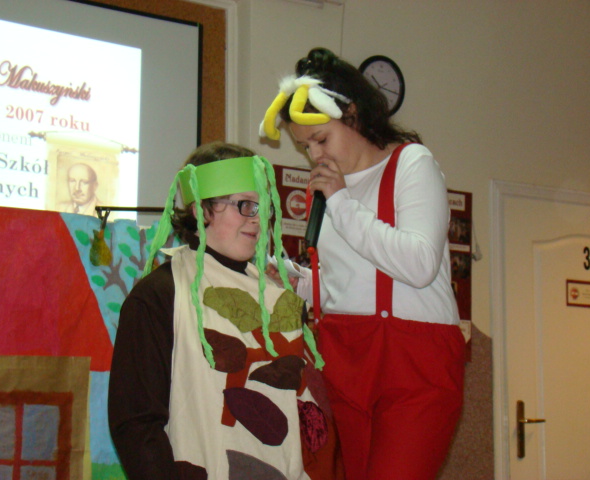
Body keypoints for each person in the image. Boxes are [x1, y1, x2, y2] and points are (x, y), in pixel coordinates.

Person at [260, 48, 465, 480]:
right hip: (346, 361)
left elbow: (419, 264)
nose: (315, 156)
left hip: (414, 365)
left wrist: (341, 202)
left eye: (322, 140)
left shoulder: (411, 163)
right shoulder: (328, 191)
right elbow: (345, 283)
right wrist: (295, 280)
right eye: (305, 146)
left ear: (352, 115)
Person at [108, 141, 343, 480]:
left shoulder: (278, 298)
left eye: (264, 206)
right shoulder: (159, 296)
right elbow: (136, 422)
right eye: (245, 205)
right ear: (201, 210)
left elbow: (308, 413)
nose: (258, 219)